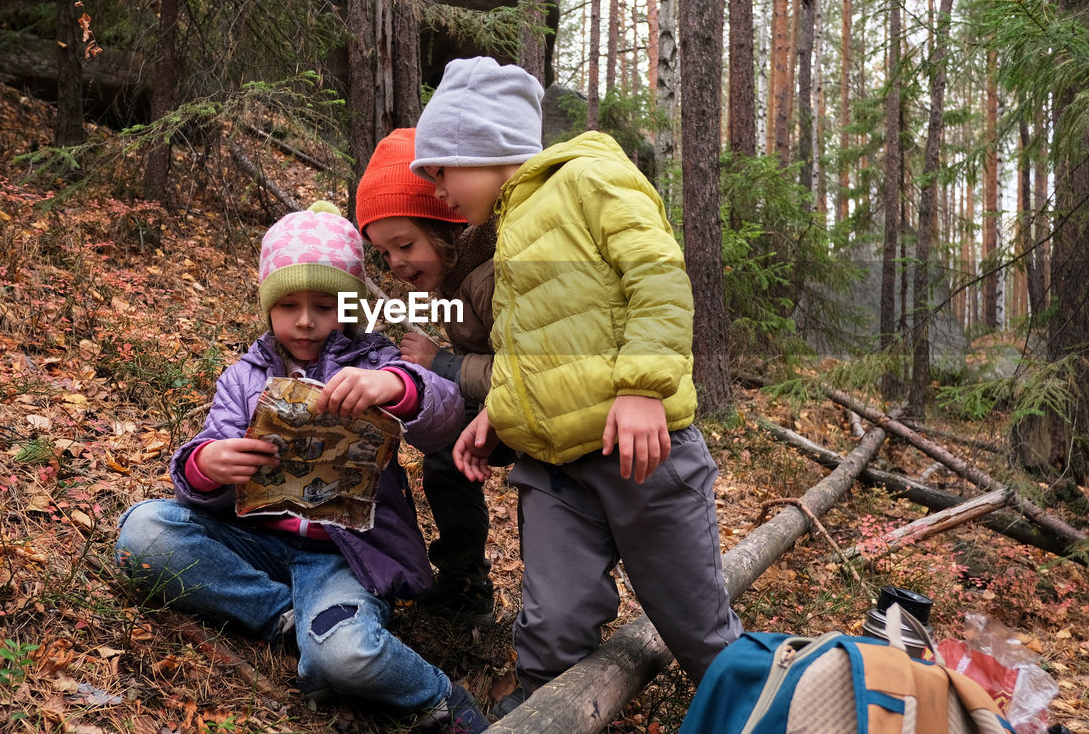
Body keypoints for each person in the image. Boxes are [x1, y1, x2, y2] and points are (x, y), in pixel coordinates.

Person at [409, 57, 743, 716]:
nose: (436, 189)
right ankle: (542, 711)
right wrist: (500, 412)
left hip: (642, 455)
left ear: (484, 144)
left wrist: (645, 387)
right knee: (552, 625)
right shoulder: (505, 236)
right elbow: (532, 344)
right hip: (556, 469)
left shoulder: (589, 177)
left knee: (697, 626)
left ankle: (761, 706)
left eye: (439, 167)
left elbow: (658, 275)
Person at [114, 200, 490, 732]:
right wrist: (208, 466)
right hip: (252, 542)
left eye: (326, 304)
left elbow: (444, 414)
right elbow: (202, 469)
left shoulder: (375, 362)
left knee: (346, 657)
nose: (307, 320)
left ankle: (437, 696)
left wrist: (398, 387)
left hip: (343, 556)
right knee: (144, 532)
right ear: (268, 308)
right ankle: (285, 620)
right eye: (288, 304)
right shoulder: (244, 378)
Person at [355, 127, 509, 626]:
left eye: (405, 244)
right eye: (384, 254)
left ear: (445, 224)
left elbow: (525, 370)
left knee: (451, 445)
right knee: (443, 446)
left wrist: (440, 364)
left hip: (536, 407)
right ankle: (463, 577)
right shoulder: (452, 274)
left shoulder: (489, 276)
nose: (396, 264)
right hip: (495, 403)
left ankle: (474, 581)